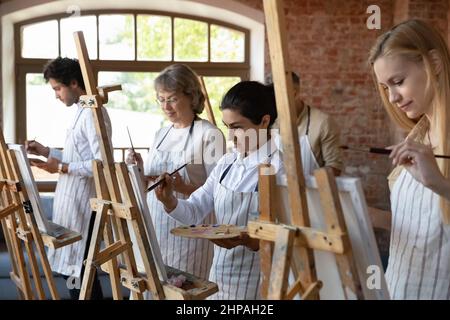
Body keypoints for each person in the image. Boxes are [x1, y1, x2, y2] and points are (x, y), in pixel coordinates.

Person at [154, 81, 284, 299]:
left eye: (237, 127)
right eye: (227, 127)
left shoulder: (280, 168)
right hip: (218, 277)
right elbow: (195, 209)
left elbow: (289, 236)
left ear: (264, 121)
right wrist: (169, 201)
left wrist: (249, 241)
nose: (231, 137)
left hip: (258, 281)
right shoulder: (227, 163)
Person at [369, 19, 450, 300]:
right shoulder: (417, 138)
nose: (392, 97)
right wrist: (372, 218)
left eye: (398, 82)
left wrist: (441, 185)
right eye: (385, 87)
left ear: (435, 64)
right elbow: (428, 230)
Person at [126, 64, 225, 281]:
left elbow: (219, 194)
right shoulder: (161, 133)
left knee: (183, 294)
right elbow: (147, 186)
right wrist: (139, 169)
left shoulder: (209, 134)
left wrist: (181, 188)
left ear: (191, 96)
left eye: (171, 99)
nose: (165, 106)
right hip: (155, 226)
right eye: (160, 99)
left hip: (188, 234)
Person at [25, 57, 110, 300]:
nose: (56, 95)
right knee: (73, 277)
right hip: (70, 205)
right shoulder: (80, 112)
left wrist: (61, 167)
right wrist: (46, 152)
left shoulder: (94, 112)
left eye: (57, 88)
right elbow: (75, 157)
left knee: (82, 279)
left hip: (84, 207)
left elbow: (101, 164)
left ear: (74, 83)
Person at [270, 72, 343, 176]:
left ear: (294, 94)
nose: (273, 102)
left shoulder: (322, 122)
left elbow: (335, 168)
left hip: (311, 191)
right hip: (276, 191)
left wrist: (303, 180)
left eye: (276, 96)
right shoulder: (270, 122)